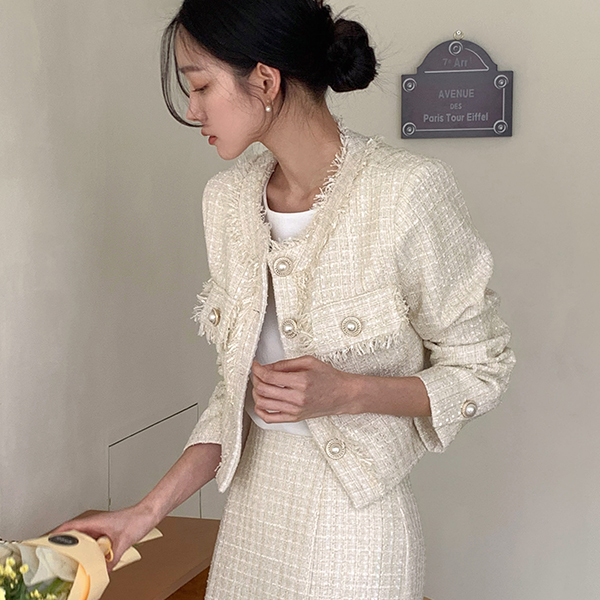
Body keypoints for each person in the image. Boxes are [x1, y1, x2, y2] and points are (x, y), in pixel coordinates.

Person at [49, 0, 516, 598]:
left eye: (201, 86)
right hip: (250, 526)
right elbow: (235, 395)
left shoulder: (405, 193)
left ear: (265, 81)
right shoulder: (225, 203)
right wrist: (143, 514)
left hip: (356, 534)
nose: (192, 110)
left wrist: (349, 392)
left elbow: (481, 366)